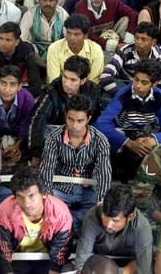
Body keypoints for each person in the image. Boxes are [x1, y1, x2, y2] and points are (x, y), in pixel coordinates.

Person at [95, 60, 161, 180]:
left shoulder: (159, 97)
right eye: (136, 79)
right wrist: (128, 142)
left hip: (146, 134)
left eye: (144, 82)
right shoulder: (124, 94)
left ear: (154, 84)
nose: (138, 85)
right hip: (123, 133)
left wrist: (151, 140)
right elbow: (101, 124)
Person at [40, 95, 111, 230]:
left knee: (100, 213)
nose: (74, 125)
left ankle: (69, 222)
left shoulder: (100, 140)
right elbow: (47, 170)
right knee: (47, 208)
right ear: (65, 115)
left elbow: (104, 173)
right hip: (60, 189)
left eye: (80, 121)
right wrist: (47, 198)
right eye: (70, 119)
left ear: (88, 119)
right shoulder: (53, 138)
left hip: (89, 191)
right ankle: (71, 223)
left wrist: (101, 200)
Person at [0, 165, 73, 274]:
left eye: (31, 196)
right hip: (17, 258)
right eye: (20, 197)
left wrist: (53, 270)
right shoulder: (6, 209)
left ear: (44, 194)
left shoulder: (61, 213)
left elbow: (60, 253)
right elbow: (3, 251)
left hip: (47, 260)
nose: (27, 204)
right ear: (14, 197)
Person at [75, 185, 153, 274]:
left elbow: (144, 268)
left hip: (126, 264)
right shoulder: (91, 218)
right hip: (97, 266)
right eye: (105, 217)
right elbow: (82, 263)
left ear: (130, 217)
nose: (108, 225)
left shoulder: (142, 226)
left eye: (115, 221)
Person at [100, 21, 161, 98]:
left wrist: (149, 98)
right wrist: (121, 95)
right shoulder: (125, 51)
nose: (138, 42)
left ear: (153, 42)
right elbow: (105, 76)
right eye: (136, 38)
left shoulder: (160, 57)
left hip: (147, 93)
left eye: (143, 39)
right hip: (124, 87)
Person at [72, 0, 137, 48]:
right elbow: (85, 34)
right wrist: (111, 45)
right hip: (92, 42)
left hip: (113, 34)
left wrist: (128, 38)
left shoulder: (113, 1)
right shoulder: (80, 7)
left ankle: (126, 46)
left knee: (126, 19)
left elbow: (133, 14)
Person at [45, 14, 105, 83]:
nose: (71, 38)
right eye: (68, 33)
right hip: (60, 88)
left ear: (85, 35)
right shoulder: (54, 48)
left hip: (86, 89)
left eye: (76, 34)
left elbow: (93, 81)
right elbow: (54, 80)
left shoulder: (96, 50)